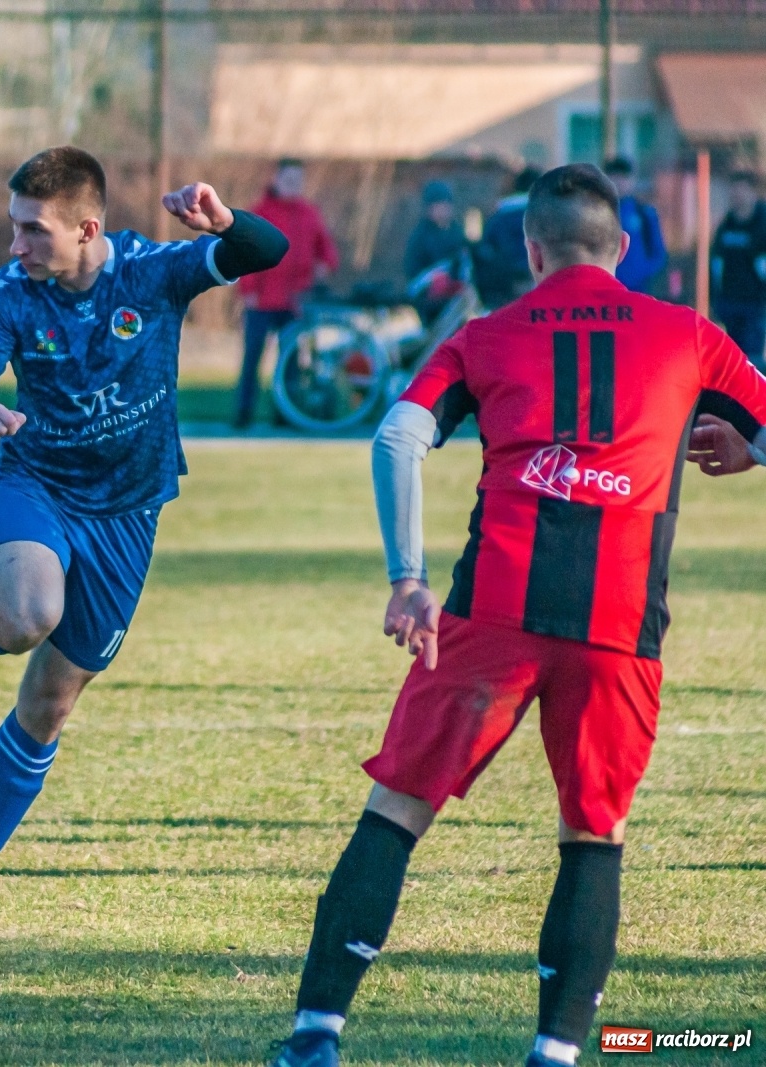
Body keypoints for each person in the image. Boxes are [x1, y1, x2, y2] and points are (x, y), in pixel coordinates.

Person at [266, 163, 766, 1067]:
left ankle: (316, 1034)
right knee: (592, 832)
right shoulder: (691, 336)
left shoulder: (485, 334)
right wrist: (752, 449)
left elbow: (397, 435)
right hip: (620, 624)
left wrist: (407, 577)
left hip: (491, 612)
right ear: (621, 250)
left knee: (396, 810)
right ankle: (557, 1050)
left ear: (533, 251)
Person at [0, 146, 289, 958]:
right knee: (31, 610)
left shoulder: (150, 272)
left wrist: (225, 223)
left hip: (129, 515)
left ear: (86, 229)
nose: (15, 246)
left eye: (32, 232)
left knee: (49, 707)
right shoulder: (8, 293)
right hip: (38, 484)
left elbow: (265, 253)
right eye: (12, 227)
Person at [234, 158, 337, 428]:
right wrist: (248, 290)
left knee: (290, 360)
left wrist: (322, 269)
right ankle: (243, 414)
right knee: (253, 357)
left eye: (298, 181)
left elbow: (326, 252)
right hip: (262, 299)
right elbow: (244, 253)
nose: (294, 186)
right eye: (289, 180)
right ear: (277, 180)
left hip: (294, 302)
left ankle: (285, 415)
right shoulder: (261, 212)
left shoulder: (309, 214)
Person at [712, 169, 766, 370]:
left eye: (742, 190)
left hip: (756, 305)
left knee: (752, 361)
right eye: (734, 190)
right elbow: (717, 264)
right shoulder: (726, 225)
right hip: (730, 303)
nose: (737, 195)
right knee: (733, 360)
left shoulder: (762, 224)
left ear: (752, 192)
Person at [474, 165, 540, 308]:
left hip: (503, 286)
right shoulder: (543, 213)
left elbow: (485, 248)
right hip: (534, 279)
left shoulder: (498, 215)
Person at [603, 157, 667, 295]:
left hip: (637, 290)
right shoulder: (596, 212)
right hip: (604, 289)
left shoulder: (644, 213)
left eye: (623, 178)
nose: (618, 183)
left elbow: (658, 252)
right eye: (614, 177)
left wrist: (641, 271)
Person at [402, 180, 466, 281]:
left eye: (446, 205)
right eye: (438, 206)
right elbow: (413, 269)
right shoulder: (420, 237)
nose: (443, 210)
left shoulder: (457, 233)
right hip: (428, 287)